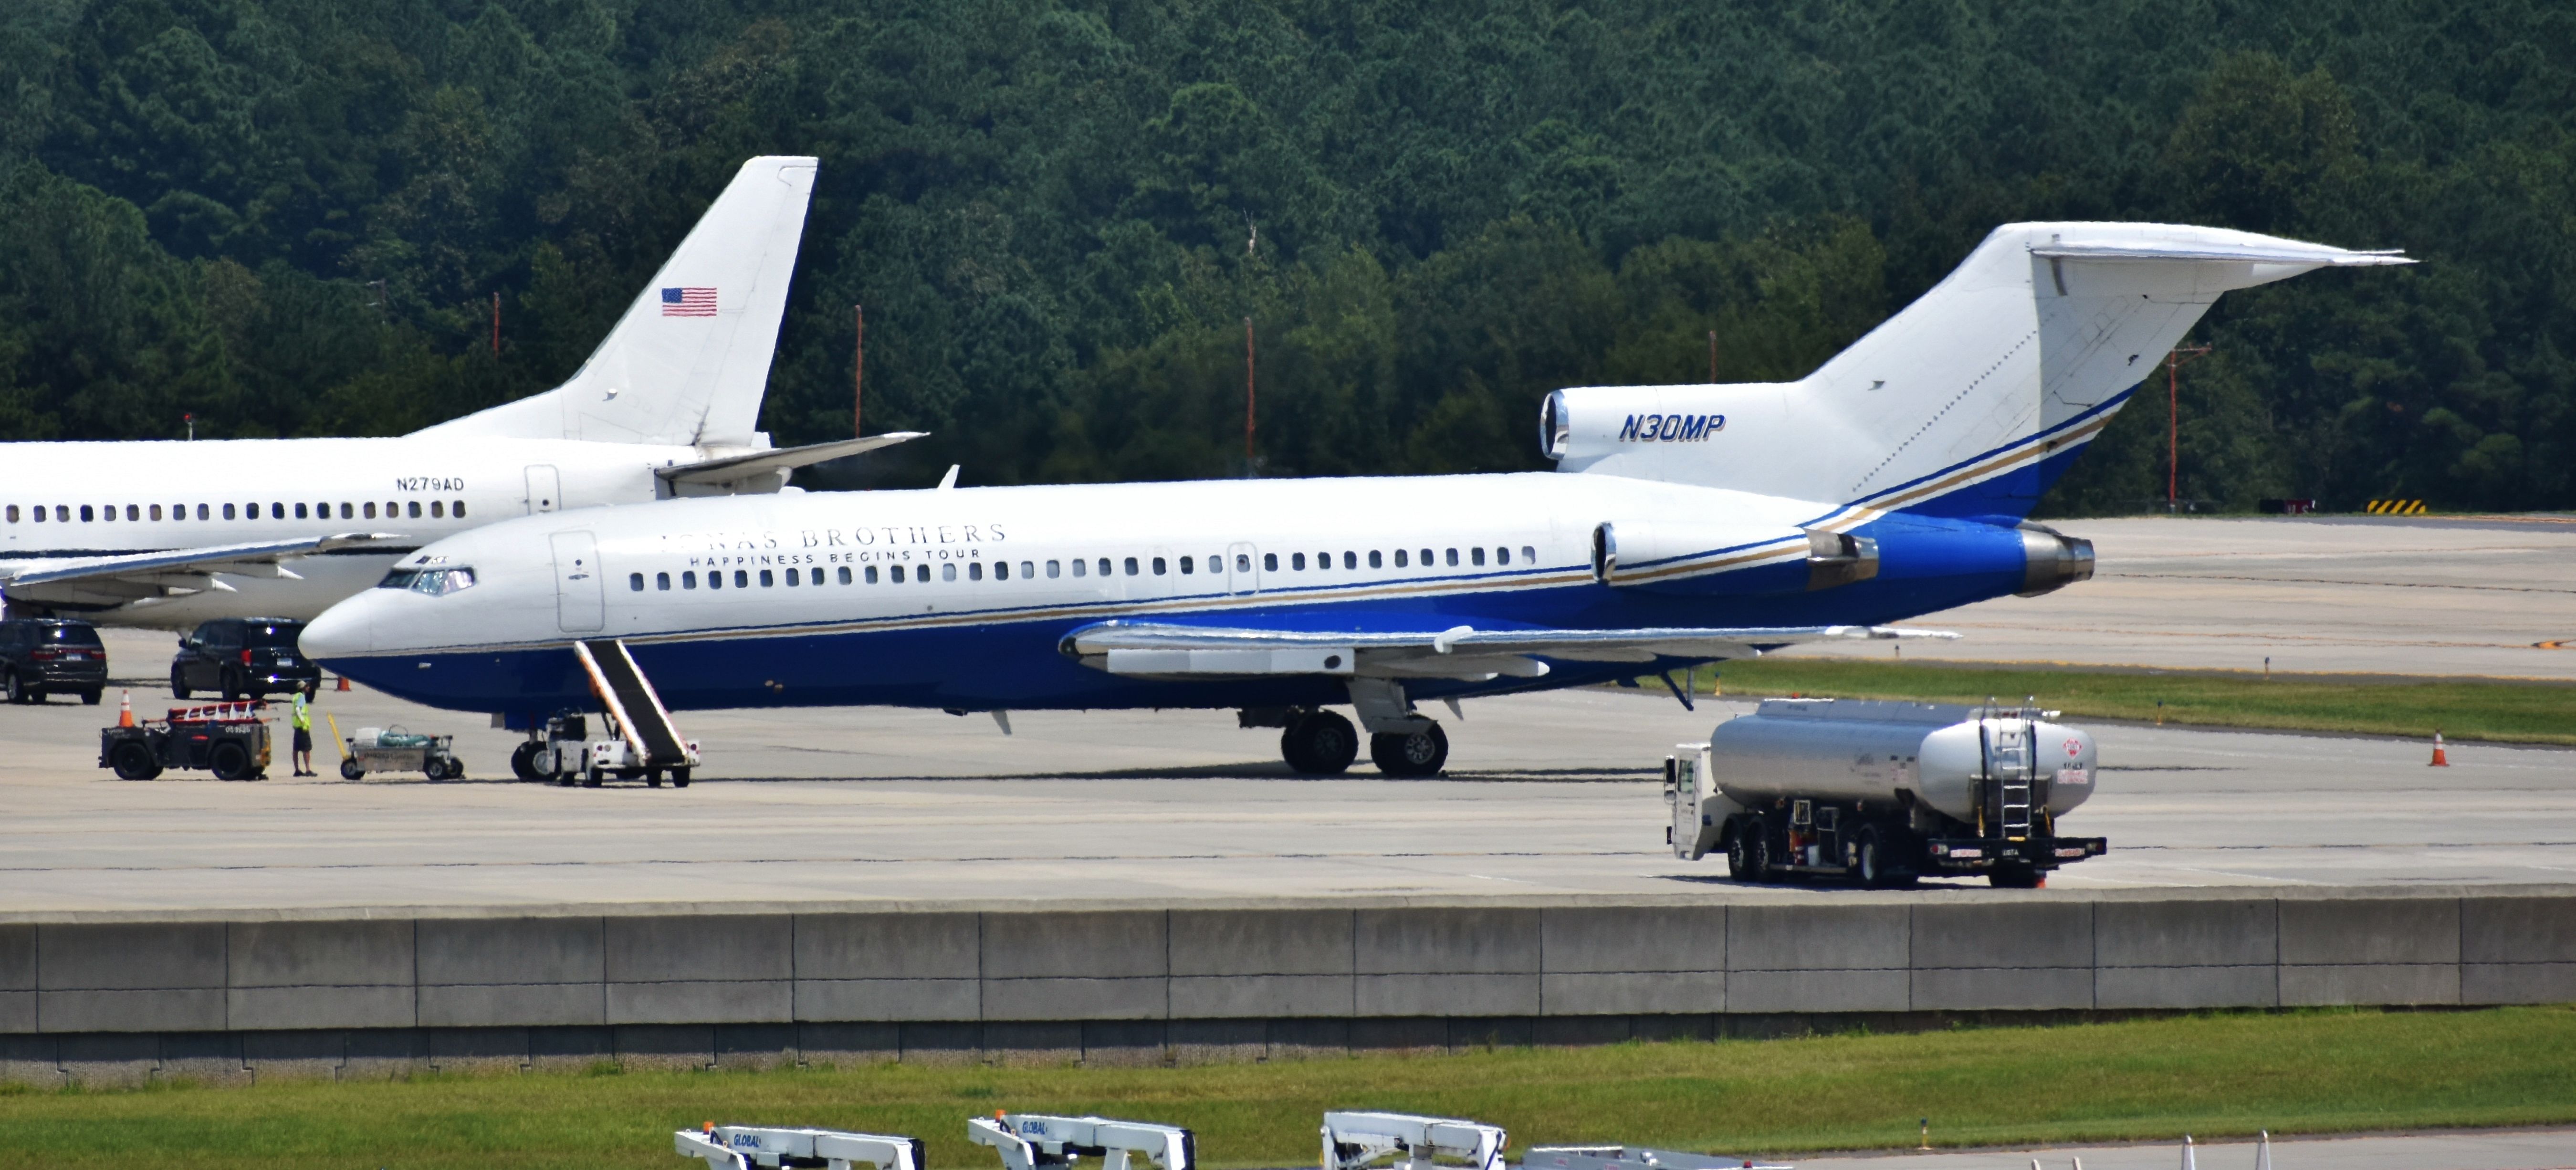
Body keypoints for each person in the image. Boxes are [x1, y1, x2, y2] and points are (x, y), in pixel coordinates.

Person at [291, 683, 316, 777]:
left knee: (296, 749)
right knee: (307, 749)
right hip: (303, 727)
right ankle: (308, 770)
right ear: (303, 688)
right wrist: (302, 719)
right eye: (307, 686)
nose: (309, 688)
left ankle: (297, 770)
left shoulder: (296, 697)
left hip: (297, 727)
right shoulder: (301, 697)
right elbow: (298, 710)